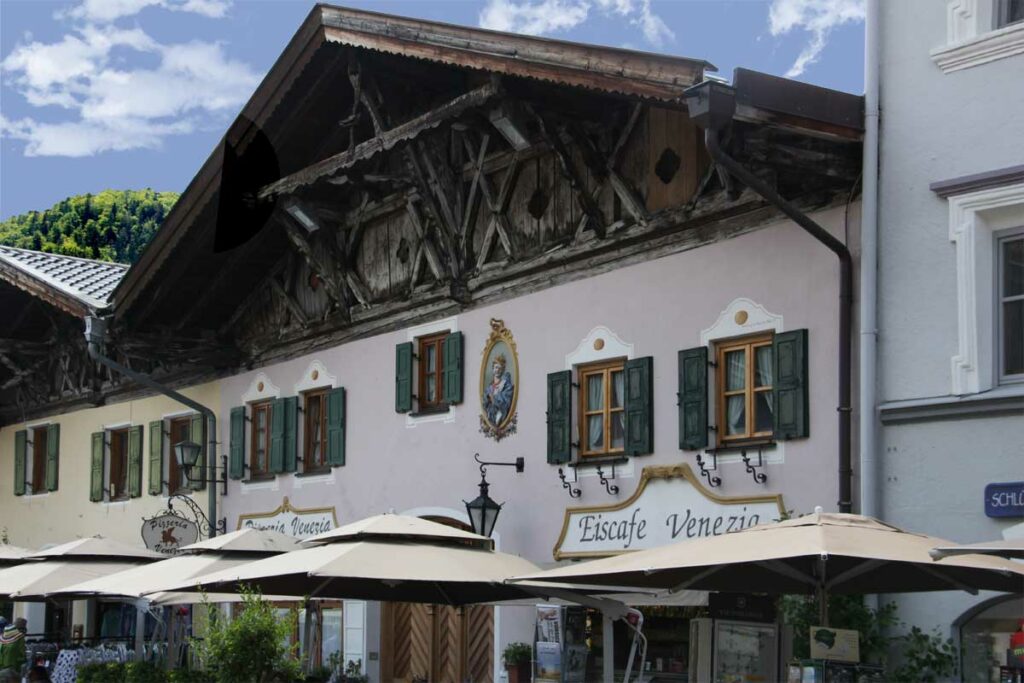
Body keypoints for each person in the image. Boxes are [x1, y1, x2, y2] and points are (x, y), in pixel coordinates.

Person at [483, 353, 514, 426]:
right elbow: (484, 404)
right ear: (493, 368)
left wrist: (494, 399)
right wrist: (488, 399)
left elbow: (507, 403)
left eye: (500, 368)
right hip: (491, 416)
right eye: (496, 367)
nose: (497, 370)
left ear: (503, 370)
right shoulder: (488, 388)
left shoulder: (506, 385)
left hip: (500, 416)